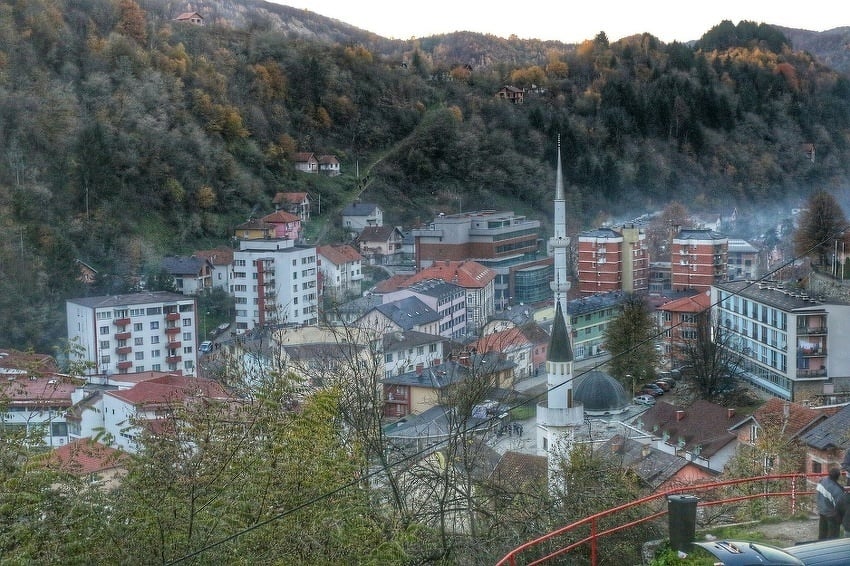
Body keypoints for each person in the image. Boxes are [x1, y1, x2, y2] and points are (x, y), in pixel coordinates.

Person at [816, 467, 845, 539]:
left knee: (822, 535)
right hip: (832, 515)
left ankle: (820, 547)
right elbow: (839, 506)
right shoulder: (837, 490)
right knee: (833, 537)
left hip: (822, 511)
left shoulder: (822, 481)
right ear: (838, 477)